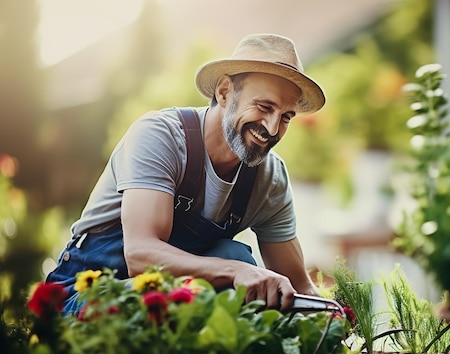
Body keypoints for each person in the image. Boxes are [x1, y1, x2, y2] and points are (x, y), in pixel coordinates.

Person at [45, 33, 325, 314]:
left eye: (286, 117)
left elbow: (298, 287)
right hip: (88, 298)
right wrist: (234, 271)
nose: (273, 128)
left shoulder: (269, 179)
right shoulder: (161, 136)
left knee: (235, 256)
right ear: (224, 92)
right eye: (264, 107)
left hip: (176, 307)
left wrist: (336, 318)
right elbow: (140, 256)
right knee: (232, 267)